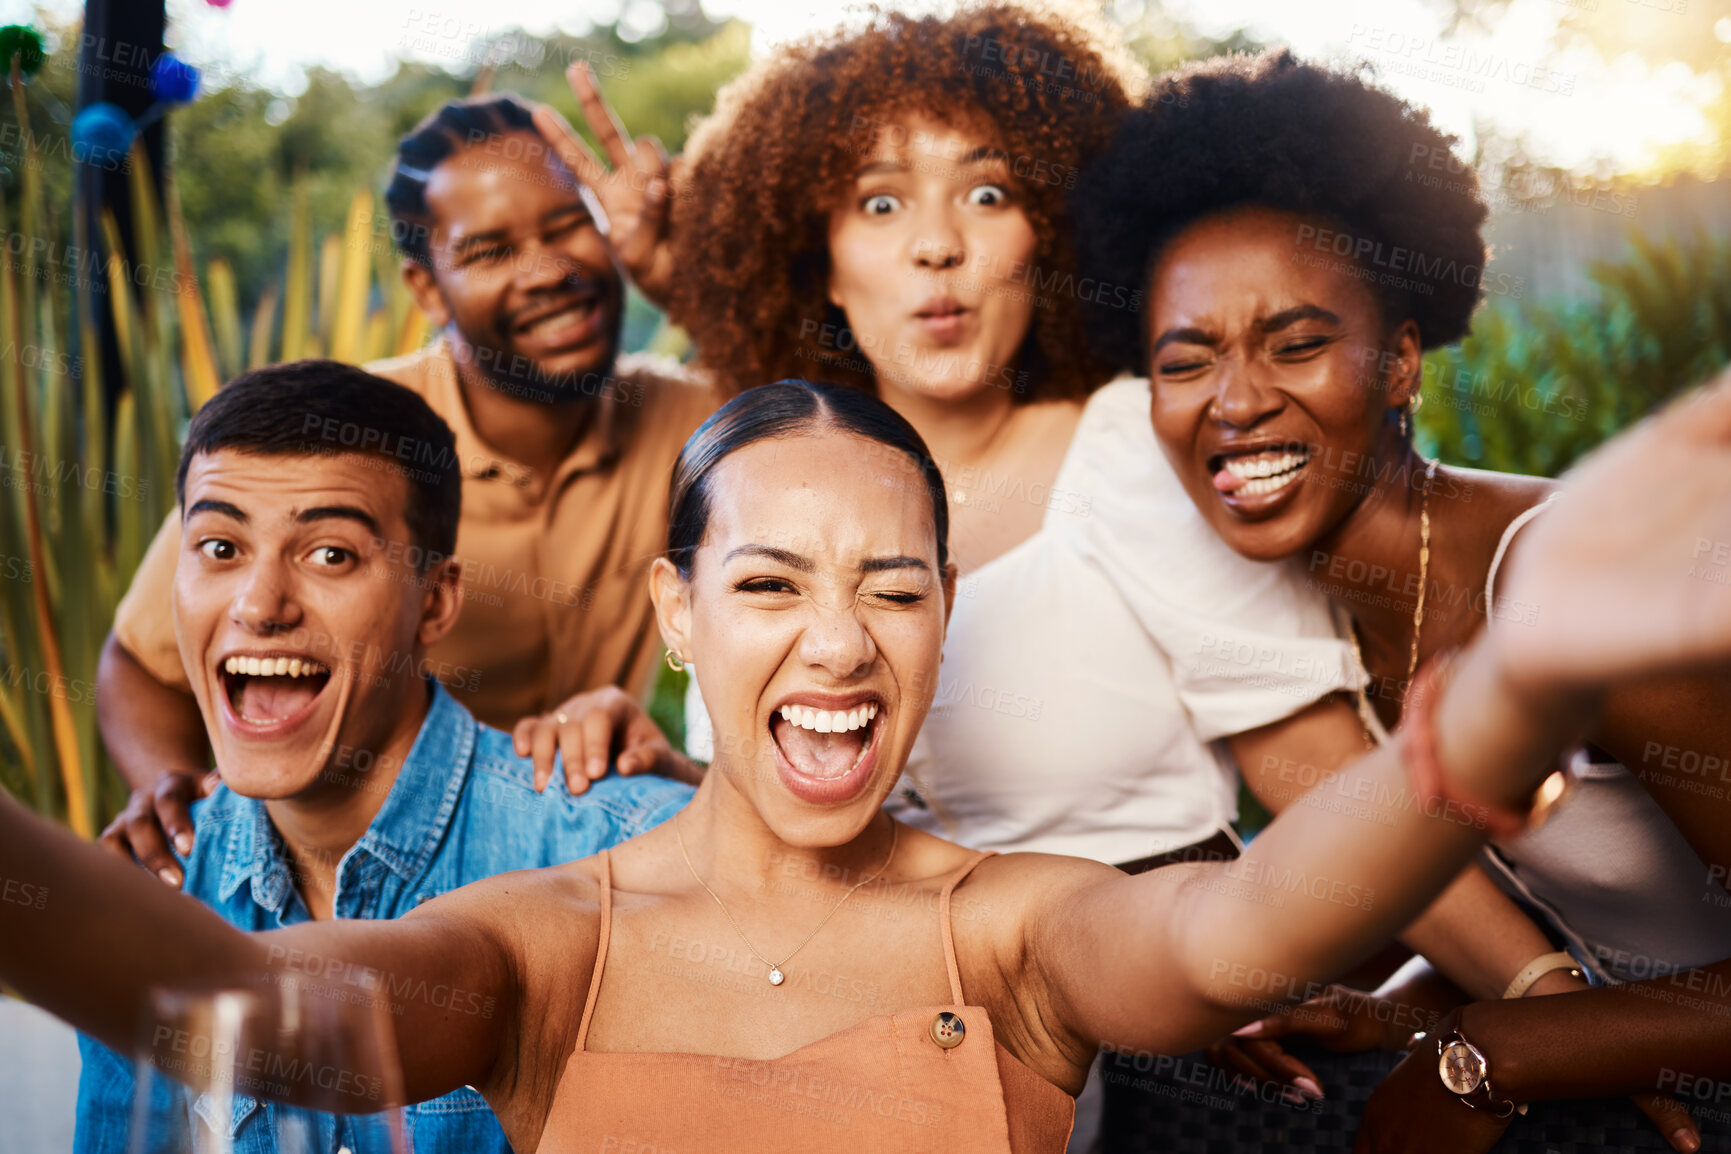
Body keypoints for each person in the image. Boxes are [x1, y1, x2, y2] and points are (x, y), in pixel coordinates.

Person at [8, 374, 1731, 1154]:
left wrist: (1514, 680)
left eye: (892, 587)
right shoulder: (542, 934)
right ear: (677, 613)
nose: (839, 644)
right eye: (769, 584)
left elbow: (1236, 932)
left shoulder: (1006, 924)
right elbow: (234, 1004)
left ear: (940, 613)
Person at [1072, 49, 1731, 1153]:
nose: (1234, 401)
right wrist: (1382, 1002)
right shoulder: (1308, 629)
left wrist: (1496, 1057)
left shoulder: (1582, 590)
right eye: (1185, 363)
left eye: (1298, 342)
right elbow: (1562, 926)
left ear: (1401, 361)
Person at [75, 361, 693, 1154]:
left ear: (435, 601)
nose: (260, 605)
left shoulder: (625, 858)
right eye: (221, 546)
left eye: (330, 554)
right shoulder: (148, 893)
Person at [96, 92, 717, 879]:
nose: (549, 271)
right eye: (489, 250)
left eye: (569, 226)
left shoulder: (690, 423)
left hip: (561, 855)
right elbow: (138, 662)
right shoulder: (345, 446)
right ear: (426, 290)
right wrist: (187, 810)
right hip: (355, 869)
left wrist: (688, 288)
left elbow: (861, 432)